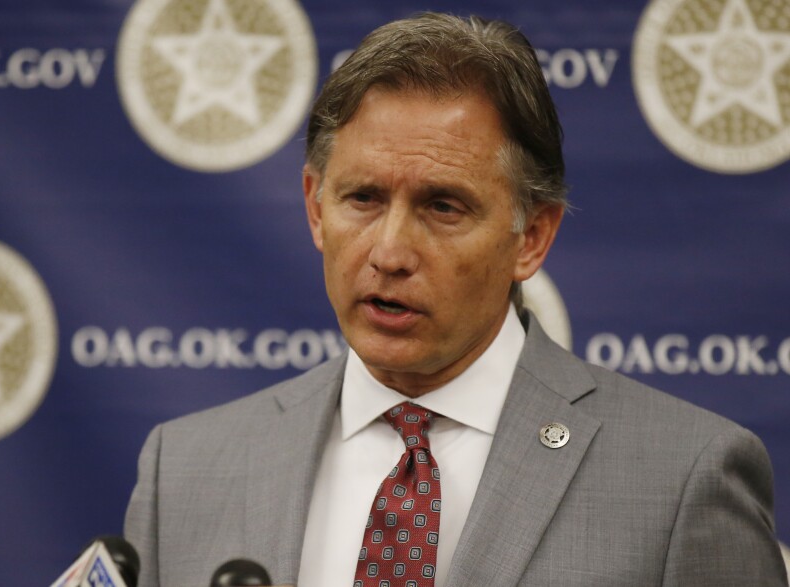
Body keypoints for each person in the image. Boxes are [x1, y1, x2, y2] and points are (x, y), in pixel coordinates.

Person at [124, 12, 787, 587]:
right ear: (314, 207)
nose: (389, 251)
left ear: (532, 235)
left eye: (442, 206)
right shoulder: (183, 470)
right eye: (363, 198)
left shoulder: (683, 479)